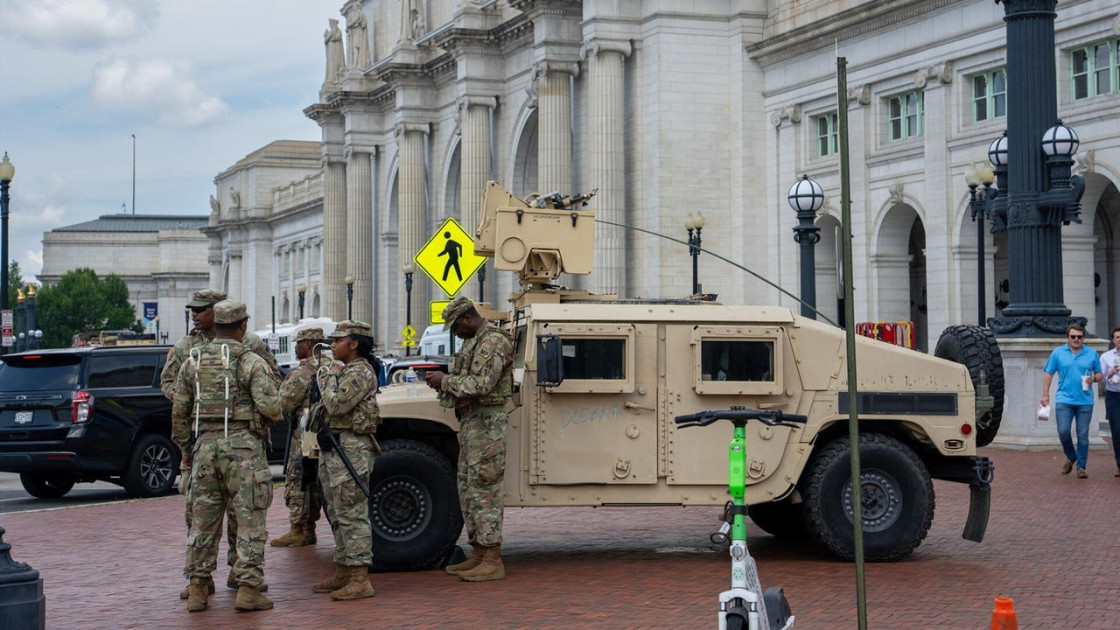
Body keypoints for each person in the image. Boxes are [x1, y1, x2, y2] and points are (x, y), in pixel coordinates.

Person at [162, 288, 280, 599]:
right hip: (244, 448)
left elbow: (179, 412)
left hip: (204, 446)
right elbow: (271, 405)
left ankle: (199, 588)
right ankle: (248, 588)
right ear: (240, 325)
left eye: (202, 309)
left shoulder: (194, 360)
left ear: (218, 315)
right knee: (250, 518)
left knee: (203, 521)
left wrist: (186, 447)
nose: (195, 313)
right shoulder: (249, 358)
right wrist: (259, 422)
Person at [423, 296, 513, 582]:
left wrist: (444, 382)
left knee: (485, 490)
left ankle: (492, 558)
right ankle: (478, 553)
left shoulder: (493, 341)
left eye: (455, 327)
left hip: (487, 423)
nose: (455, 333)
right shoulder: (473, 341)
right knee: (469, 487)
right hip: (474, 423)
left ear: (468, 318)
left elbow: (482, 384)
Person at [310, 320, 380, 601]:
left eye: (338, 341)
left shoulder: (359, 372)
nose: (332, 345)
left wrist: (328, 376)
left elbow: (337, 404)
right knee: (338, 514)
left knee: (352, 514)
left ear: (354, 344)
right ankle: (344, 570)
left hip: (352, 449)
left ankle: (360, 577)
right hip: (335, 447)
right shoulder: (344, 370)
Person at [271, 328, 326, 547]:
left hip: (307, 434)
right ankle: (309, 527)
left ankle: (299, 528)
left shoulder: (304, 371)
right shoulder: (334, 366)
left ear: (309, 344)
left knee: (299, 478)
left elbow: (284, 403)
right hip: (327, 434)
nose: (295, 347)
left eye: (299, 343)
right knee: (315, 480)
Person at [1041, 323, 1102, 478]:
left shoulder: (1092, 353)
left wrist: (1093, 378)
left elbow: (1100, 374)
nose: (1076, 339)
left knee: (1082, 434)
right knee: (1063, 431)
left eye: (1079, 337)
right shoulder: (1058, 353)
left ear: (1083, 338)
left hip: (1085, 401)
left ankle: (1081, 467)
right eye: (1073, 336)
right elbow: (1048, 373)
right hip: (1064, 399)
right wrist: (1045, 394)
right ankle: (1071, 456)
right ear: (1067, 338)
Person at [1098, 327, 1120, 478]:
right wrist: (1110, 373)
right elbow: (1100, 377)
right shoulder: (1106, 357)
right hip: (1113, 396)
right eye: (1117, 337)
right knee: (1117, 431)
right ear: (1113, 340)